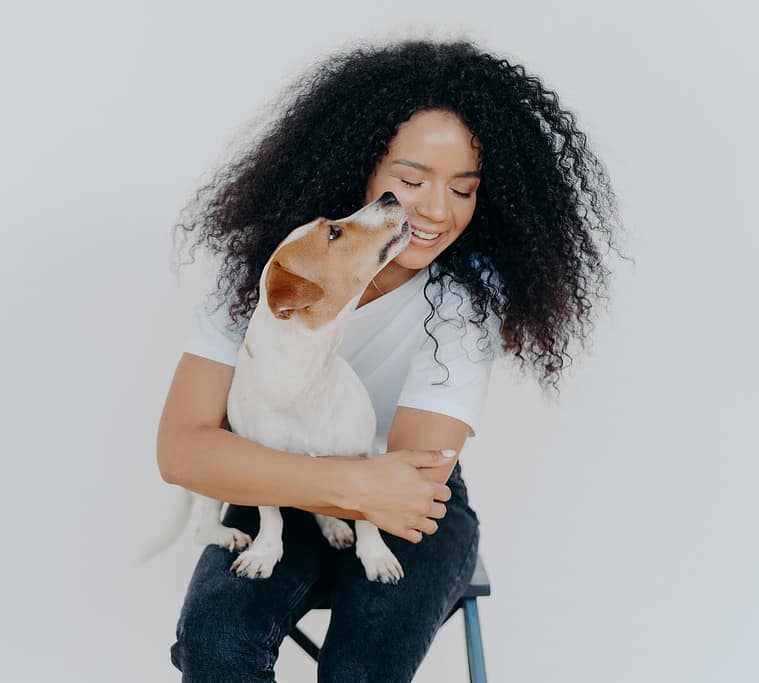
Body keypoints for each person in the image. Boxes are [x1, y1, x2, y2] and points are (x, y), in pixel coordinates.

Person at [157, 38, 623, 681]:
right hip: (279, 489)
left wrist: (314, 481)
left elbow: (411, 485)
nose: (436, 210)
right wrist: (342, 486)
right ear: (361, 167)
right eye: (411, 181)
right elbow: (181, 451)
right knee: (215, 642)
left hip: (404, 507)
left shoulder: (464, 300)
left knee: (362, 669)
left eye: (463, 189)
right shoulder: (272, 272)